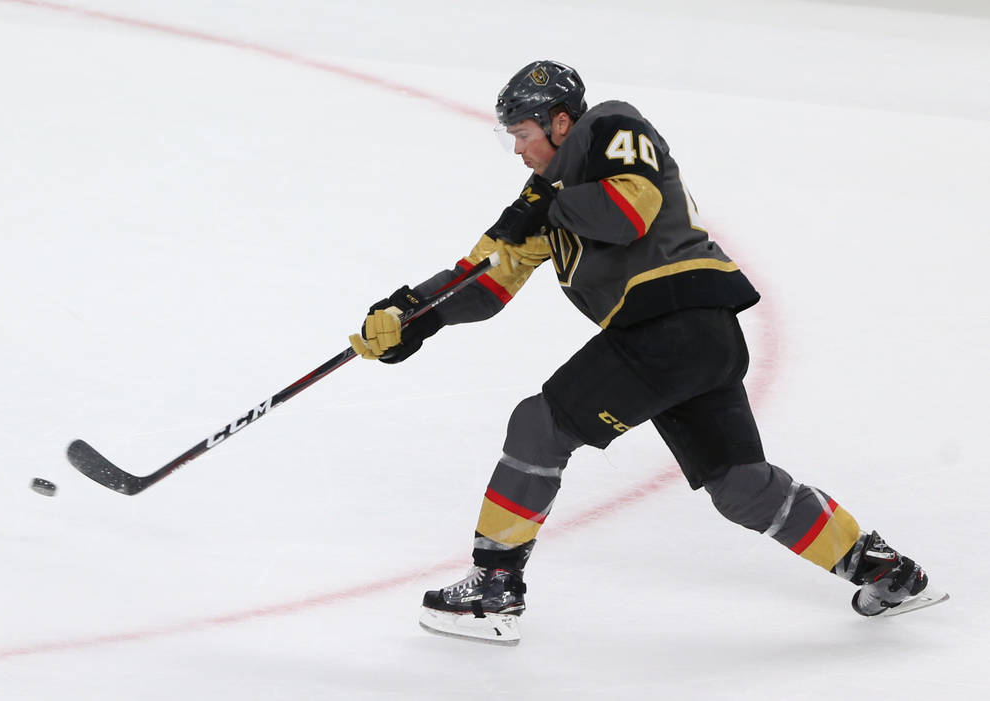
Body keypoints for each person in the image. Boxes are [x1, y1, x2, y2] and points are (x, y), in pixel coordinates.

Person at [348, 60, 943, 644]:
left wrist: (548, 198)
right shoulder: (541, 201)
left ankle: (492, 590)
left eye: (524, 135)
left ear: (559, 123)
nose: (518, 151)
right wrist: (411, 316)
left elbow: (628, 214)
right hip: (696, 342)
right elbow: (485, 279)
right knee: (741, 486)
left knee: (538, 426)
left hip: (673, 323)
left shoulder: (609, 126)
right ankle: (884, 571)